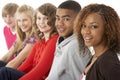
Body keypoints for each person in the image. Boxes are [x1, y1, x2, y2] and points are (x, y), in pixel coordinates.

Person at [0, 3, 58, 80]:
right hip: (30, 75)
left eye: (46, 18)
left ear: (53, 20)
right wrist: (11, 75)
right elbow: (26, 64)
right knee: (5, 72)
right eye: (39, 18)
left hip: (40, 78)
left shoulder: (54, 40)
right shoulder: (40, 41)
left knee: (5, 72)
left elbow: (39, 71)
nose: (41, 22)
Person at [46, 0, 91, 80]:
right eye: (58, 18)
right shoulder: (62, 40)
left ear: (79, 21)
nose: (60, 23)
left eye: (66, 19)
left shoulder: (75, 47)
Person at [74, 3, 120, 80]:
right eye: (84, 26)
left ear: (108, 29)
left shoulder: (107, 63)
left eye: (94, 26)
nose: (86, 31)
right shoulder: (96, 56)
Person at [0, 5, 36, 69]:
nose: (21, 24)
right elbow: (7, 56)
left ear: (32, 20)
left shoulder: (33, 38)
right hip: (16, 69)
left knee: (4, 72)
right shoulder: (21, 37)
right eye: (19, 20)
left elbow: (15, 63)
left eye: (25, 20)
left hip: (26, 72)